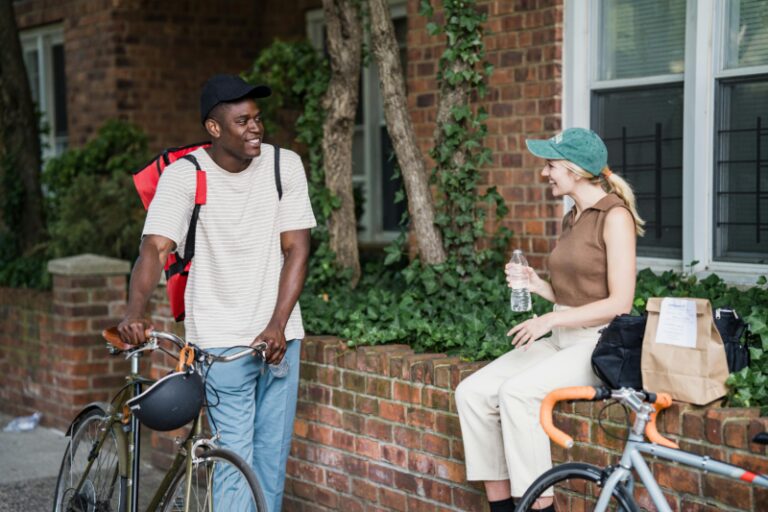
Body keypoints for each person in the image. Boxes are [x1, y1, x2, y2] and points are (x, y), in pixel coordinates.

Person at [118, 74, 316, 511]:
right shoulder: (184, 177)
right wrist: (136, 310)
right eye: (242, 120)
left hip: (281, 338)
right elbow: (154, 247)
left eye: (258, 118)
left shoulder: (285, 166)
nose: (255, 128)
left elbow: (297, 249)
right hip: (219, 340)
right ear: (213, 128)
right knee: (234, 462)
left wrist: (278, 325)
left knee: (270, 465)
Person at [455, 128, 644, 512]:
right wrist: (538, 286)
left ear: (574, 170)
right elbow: (574, 293)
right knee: (472, 394)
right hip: (562, 334)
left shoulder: (615, 216)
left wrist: (545, 323)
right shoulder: (572, 217)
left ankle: (538, 506)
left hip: (596, 342)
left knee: (518, 394)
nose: (545, 173)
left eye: (551, 165)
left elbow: (619, 302)